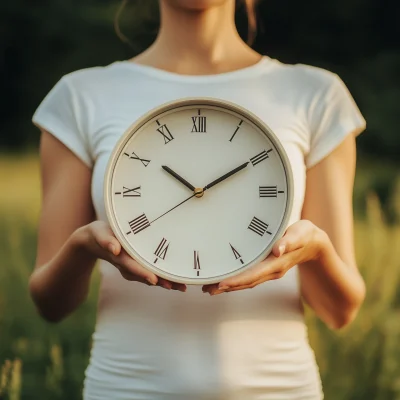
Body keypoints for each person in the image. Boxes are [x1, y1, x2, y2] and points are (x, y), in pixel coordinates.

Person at [29, 0, 367, 399]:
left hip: (279, 388)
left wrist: (316, 251)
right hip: (127, 387)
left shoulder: (316, 95)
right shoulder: (80, 96)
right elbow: (50, 304)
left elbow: (340, 311)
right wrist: (84, 247)